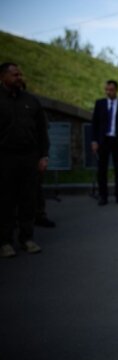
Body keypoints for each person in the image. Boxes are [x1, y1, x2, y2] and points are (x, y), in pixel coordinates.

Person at [0, 62, 49, 257]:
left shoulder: (31, 101)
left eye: (20, 74)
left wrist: (43, 156)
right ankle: (4, 241)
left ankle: (27, 238)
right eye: (14, 74)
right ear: (3, 77)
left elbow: (42, 132)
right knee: (5, 200)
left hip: (29, 158)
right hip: (4, 158)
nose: (19, 77)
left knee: (28, 199)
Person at [91, 80, 118, 206]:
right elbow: (95, 124)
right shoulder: (100, 104)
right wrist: (94, 141)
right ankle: (103, 196)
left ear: (116, 90)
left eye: (111, 90)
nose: (109, 92)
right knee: (102, 170)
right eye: (107, 89)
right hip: (103, 141)